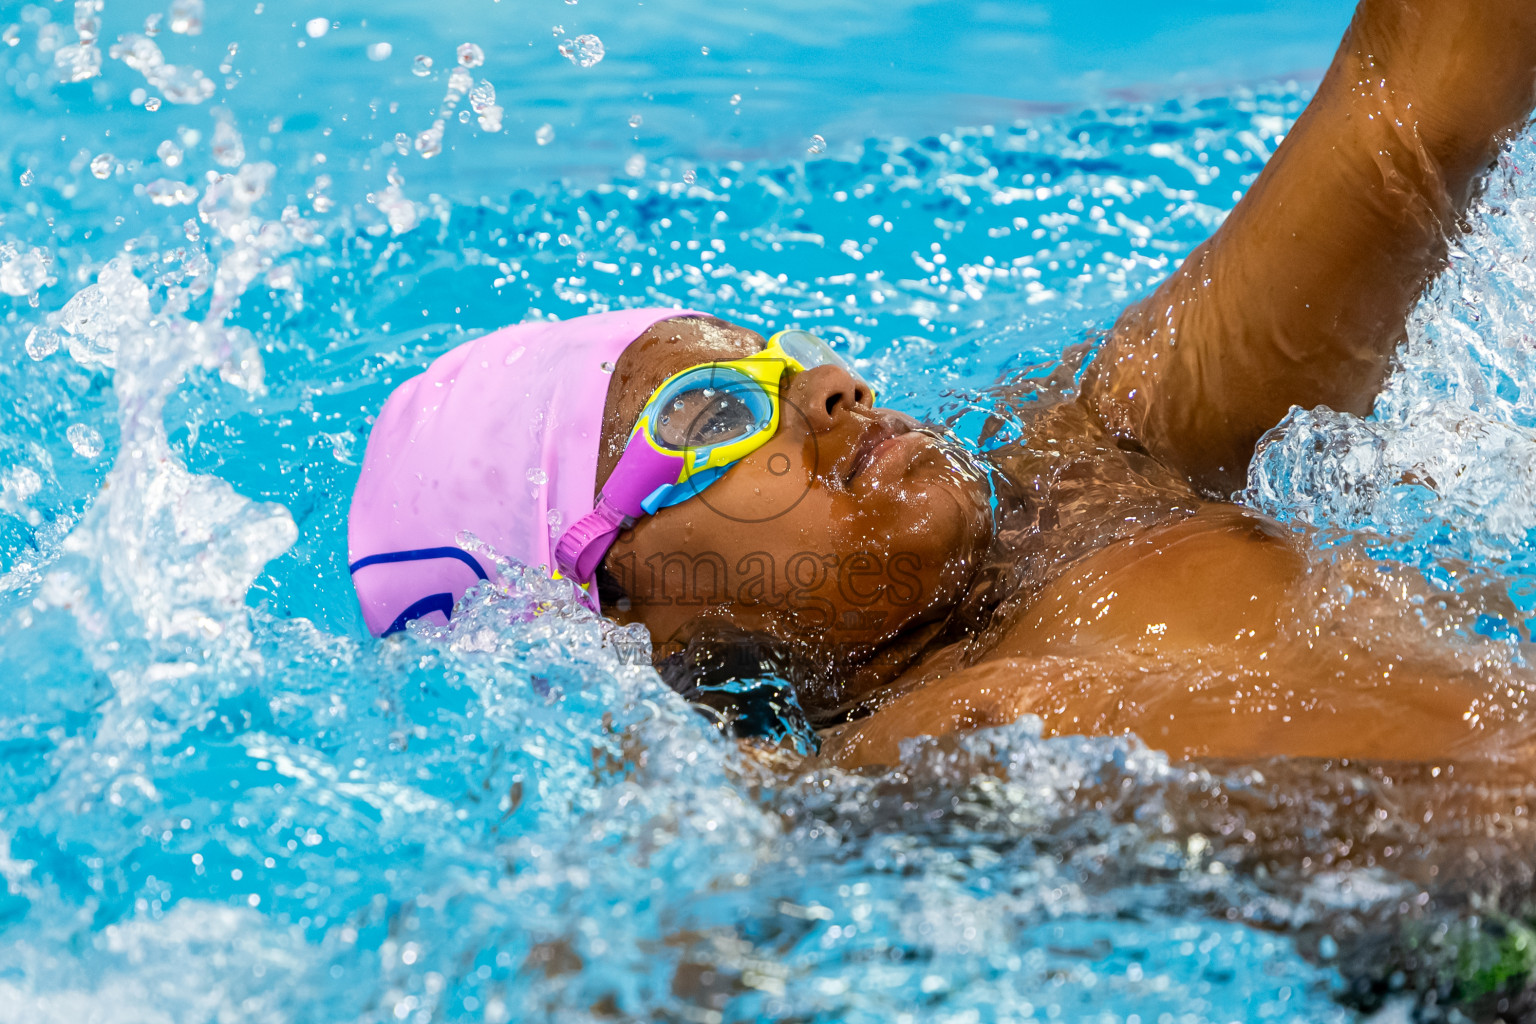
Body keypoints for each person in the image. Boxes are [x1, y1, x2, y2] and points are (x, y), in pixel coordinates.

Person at [350, 0, 1536, 769]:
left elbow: (1416, 106)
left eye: (787, 360)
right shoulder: (839, 791)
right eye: (715, 412)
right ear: (610, 619)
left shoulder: (1101, 466)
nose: (831, 392)